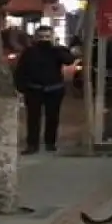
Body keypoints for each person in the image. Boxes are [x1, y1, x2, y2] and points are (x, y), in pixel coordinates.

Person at [15, 26, 75, 154]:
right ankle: (32, 144)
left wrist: (56, 47)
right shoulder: (30, 52)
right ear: (36, 38)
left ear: (52, 37)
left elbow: (69, 60)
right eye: (41, 37)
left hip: (54, 89)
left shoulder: (57, 50)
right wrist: (21, 87)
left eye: (47, 37)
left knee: (52, 117)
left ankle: (50, 142)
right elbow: (20, 70)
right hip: (34, 89)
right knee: (33, 118)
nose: (44, 40)